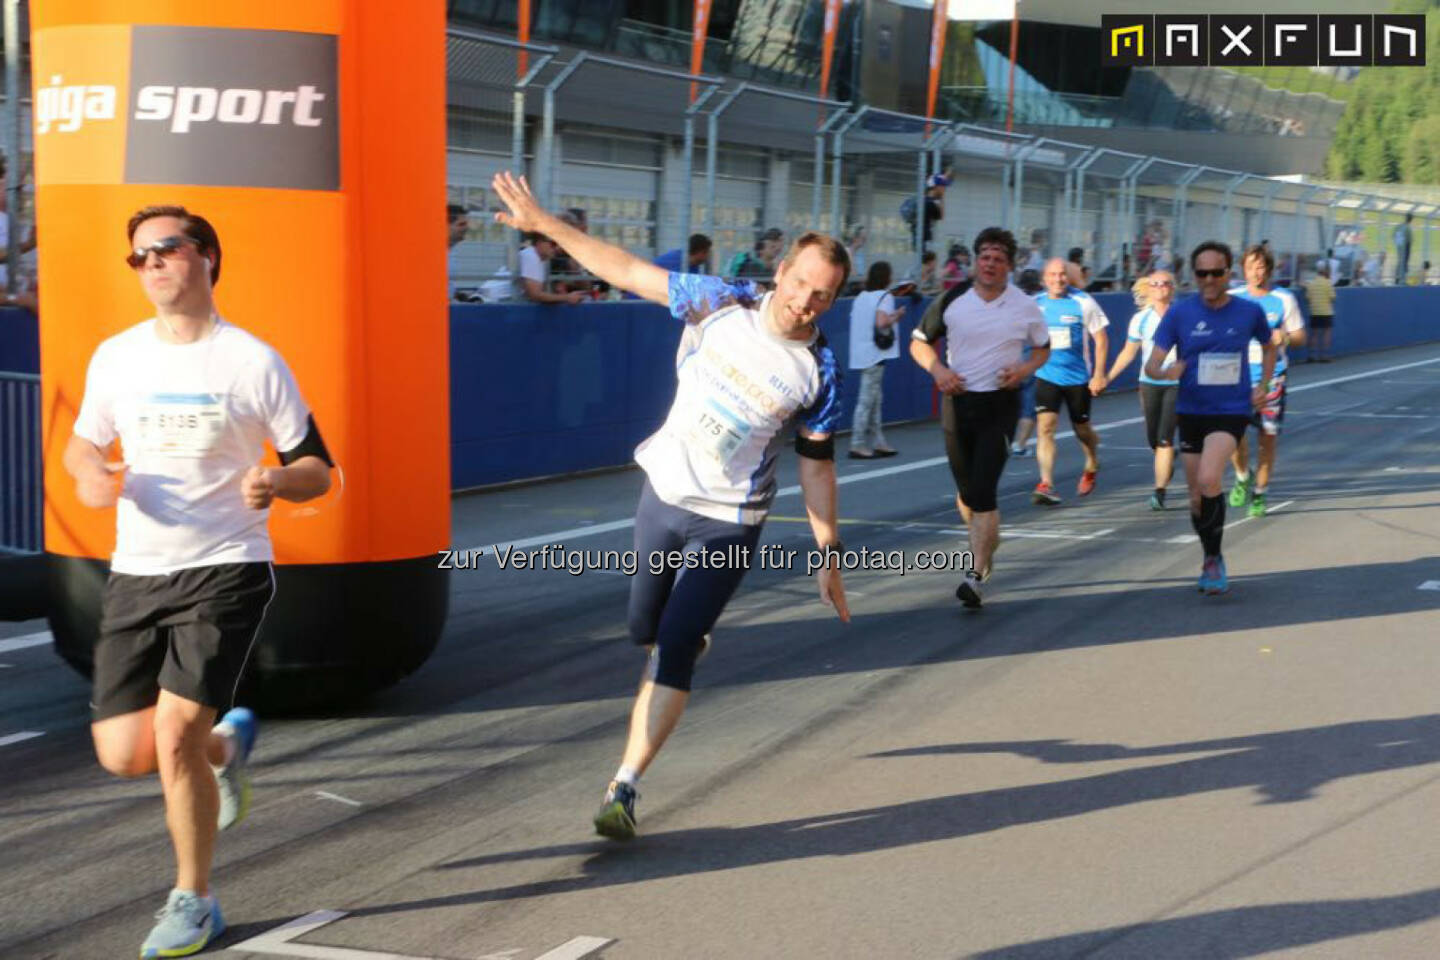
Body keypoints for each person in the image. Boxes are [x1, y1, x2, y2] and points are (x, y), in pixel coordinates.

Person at [490, 171, 850, 840]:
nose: (804, 301)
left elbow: (818, 465)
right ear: (782, 272)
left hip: (729, 520)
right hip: (663, 493)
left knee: (675, 648)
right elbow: (624, 268)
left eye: (820, 296)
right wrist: (546, 225)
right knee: (642, 629)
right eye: (799, 283)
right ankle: (680, 641)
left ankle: (623, 788)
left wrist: (828, 554)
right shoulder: (718, 300)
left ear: (831, 302)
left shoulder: (820, 373)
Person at [64, 205, 334, 957]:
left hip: (226, 568)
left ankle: (194, 899)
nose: (151, 264)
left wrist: (277, 481)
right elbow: (81, 446)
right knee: (125, 754)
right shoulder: (117, 357)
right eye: (139, 257)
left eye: (167, 249)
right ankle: (225, 748)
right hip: (137, 571)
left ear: (208, 258)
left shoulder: (251, 360)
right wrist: (91, 476)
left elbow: (320, 470)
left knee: (171, 730)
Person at [910, 227, 1050, 609]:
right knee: (968, 495)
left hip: (999, 406)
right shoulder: (953, 299)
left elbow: (1042, 349)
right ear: (975, 261)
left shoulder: (1024, 306)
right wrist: (939, 371)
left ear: (1009, 265)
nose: (990, 264)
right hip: (959, 403)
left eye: (998, 259)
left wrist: (1022, 371)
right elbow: (918, 343)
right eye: (985, 257)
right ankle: (986, 545)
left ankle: (973, 577)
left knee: (985, 491)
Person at [1145, 240, 1275, 595]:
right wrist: (1167, 371)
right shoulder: (1180, 314)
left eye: (1217, 272)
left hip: (1231, 411)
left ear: (1228, 273)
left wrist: (1263, 383)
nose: (1209, 279)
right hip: (1191, 410)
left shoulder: (1248, 312)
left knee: (1208, 477)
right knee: (1195, 496)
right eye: (1202, 273)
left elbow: (1269, 345)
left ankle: (1215, 559)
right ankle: (1210, 555)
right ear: (1195, 275)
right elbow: (1151, 364)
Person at [1226, 244, 1305, 518]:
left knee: (1267, 437)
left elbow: (1299, 336)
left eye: (1260, 267)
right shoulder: (1232, 297)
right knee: (1230, 434)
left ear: (1269, 270)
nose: (1255, 272)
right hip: (1236, 376)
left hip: (1272, 377)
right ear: (1243, 269)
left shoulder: (1283, 299)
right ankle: (1241, 474)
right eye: (1250, 267)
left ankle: (1260, 492)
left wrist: (1282, 337)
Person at [1030, 258, 1109, 505]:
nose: (1058, 279)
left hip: (1077, 378)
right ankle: (1046, 484)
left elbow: (1102, 339)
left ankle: (1092, 461)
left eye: (1062, 274)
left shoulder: (1083, 302)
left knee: (1082, 430)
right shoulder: (1035, 304)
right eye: (1052, 275)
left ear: (1068, 276)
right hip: (1046, 375)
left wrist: (1098, 374)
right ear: (1044, 279)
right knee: (1045, 427)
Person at [1106, 270, 1179, 510]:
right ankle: (1166, 458)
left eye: (1165, 284)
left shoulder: (1182, 316)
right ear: (1149, 288)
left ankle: (1159, 491)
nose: (1160, 288)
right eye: (1155, 284)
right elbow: (1128, 352)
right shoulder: (1141, 319)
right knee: (1153, 439)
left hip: (1176, 385)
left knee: (1165, 439)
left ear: (1172, 288)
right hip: (1149, 383)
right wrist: (1107, 378)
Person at [848, 262, 905, 459]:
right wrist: (897, 315)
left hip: (861, 353)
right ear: (886, 278)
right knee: (867, 400)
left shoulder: (861, 297)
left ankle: (879, 441)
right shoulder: (885, 297)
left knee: (874, 399)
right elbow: (882, 322)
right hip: (876, 353)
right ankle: (857, 443)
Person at [516, 233, 586, 305]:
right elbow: (535, 295)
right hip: (509, 305)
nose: (557, 248)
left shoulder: (540, 259)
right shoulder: (531, 256)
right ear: (539, 243)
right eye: (553, 243)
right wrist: (567, 297)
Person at [1303, 261, 1335, 363]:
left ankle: (1311, 355)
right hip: (1326, 312)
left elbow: (1307, 298)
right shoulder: (1328, 283)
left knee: (1314, 334)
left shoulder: (1311, 284)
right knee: (1326, 333)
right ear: (1325, 271)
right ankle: (1324, 355)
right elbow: (1332, 298)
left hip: (1314, 312)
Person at [1394, 213, 1413, 285]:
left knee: (1400, 262)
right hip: (1406, 247)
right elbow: (1410, 241)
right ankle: (1401, 279)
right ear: (1411, 219)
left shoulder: (1399, 226)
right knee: (1404, 263)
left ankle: (1397, 279)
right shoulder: (1407, 228)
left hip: (1399, 245)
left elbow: (1394, 235)